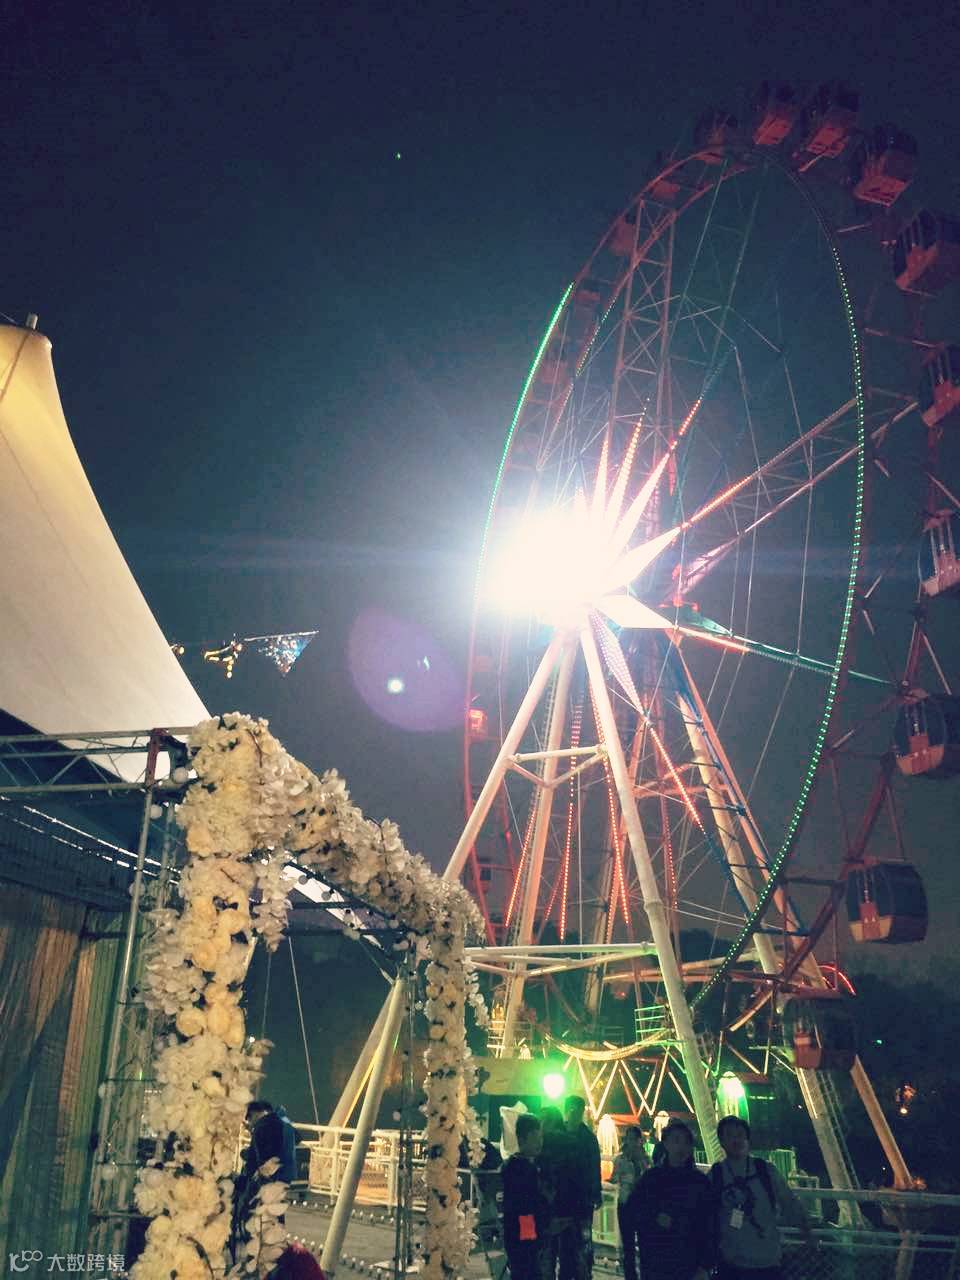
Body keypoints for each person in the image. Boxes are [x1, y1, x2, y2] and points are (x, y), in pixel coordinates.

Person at [710, 1115, 814, 1280]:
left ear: (747, 1139)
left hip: (767, 1262)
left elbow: (789, 1202)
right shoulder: (716, 1175)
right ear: (722, 1142)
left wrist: (806, 1229)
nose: (736, 1140)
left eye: (740, 1135)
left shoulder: (765, 1170)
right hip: (731, 1265)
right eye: (729, 1135)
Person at [632, 1120, 713, 1280]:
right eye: (676, 1140)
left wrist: (705, 1264)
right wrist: (654, 1218)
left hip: (690, 1262)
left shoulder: (701, 1183)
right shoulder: (650, 1179)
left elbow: (710, 1224)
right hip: (657, 1261)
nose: (681, 1147)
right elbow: (635, 1211)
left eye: (686, 1142)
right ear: (666, 1144)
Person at [556, 1096, 602, 1280]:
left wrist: (596, 1192)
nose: (574, 1114)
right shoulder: (559, 1134)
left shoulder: (588, 1139)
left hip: (582, 1200)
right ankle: (567, 1273)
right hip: (562, 1200)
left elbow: (594, 1166)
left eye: (578, 1110)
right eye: (572, 1110)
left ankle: (583, 1272)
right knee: (564, 1243)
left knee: (583, 1241)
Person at [502, 1114, 550, 1280]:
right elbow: (525, 1207)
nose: (539, 1142)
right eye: (535, 1137)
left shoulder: (521, 1165)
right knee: (528, 1270)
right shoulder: (520, 1169)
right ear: (522, 1139)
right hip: (523, 1230)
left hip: (521, 1230)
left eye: (541, 1137)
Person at [609, 1126, 648, 1280]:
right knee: (628, 1245)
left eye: (634, 1139)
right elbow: (614, 1177)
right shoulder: (620, 1159)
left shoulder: (645, 1160)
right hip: (625, 1202)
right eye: (629, 1139)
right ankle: (630, 1276)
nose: (631, 1142)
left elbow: (649, 1178)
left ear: (640, 1141)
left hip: (642, 1204)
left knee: (644, 1244)